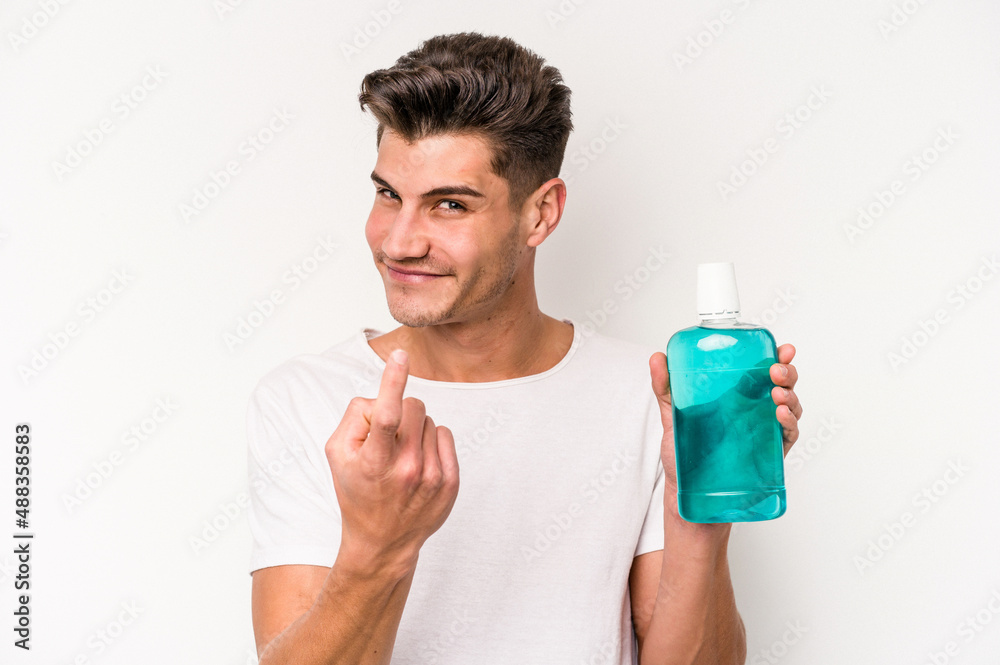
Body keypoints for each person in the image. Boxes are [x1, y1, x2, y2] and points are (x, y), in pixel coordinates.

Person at [246, 31, 802, 665]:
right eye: (389, 194)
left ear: (541, 214)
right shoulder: (305, 399)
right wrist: (379, 546)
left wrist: (700, 507)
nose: (398, 243)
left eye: (449, 205)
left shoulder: (650, 396)